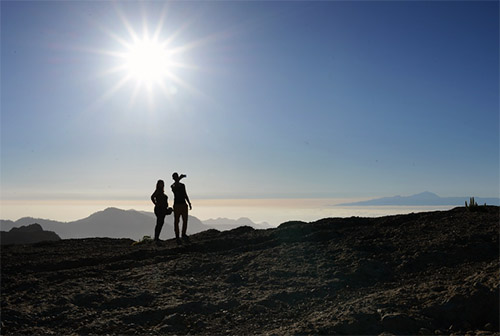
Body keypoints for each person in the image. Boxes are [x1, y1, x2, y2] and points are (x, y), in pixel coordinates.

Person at [171, 172, 192, 243]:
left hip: (183, 204)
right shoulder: (173, 186)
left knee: (185, 220)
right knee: (177, 221)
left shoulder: (182, 185)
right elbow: (175, 187)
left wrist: (189, 203)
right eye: (175, 177)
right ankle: (177, 236)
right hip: (177, 205)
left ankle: (183, 234)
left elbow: (185, 194)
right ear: (173, 178)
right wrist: (180, 178)